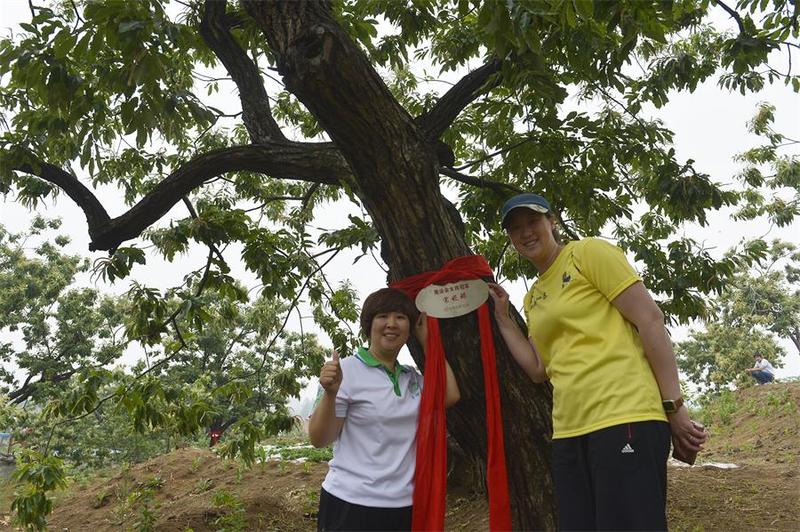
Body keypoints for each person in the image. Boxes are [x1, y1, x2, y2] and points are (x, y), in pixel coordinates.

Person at [487, 192, 708, 531]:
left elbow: (650, 320)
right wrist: (503, 319)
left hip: (624, 415)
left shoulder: (587, 253)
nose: (526, 232)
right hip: (569, 430)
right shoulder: (533, 297)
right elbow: (536, 369)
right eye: (515, 228)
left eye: (532, 221)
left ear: (552, 221)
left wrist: (674, 407)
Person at [308, 287, 460, 532]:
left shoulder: (411, 378)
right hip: (351, 503)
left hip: (405, 505)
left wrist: (429, 340)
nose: (391, 324)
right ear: (369, 325)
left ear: (410, 328)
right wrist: (331, 393)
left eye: (401, 317)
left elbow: (450, 395)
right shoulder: (344, 371)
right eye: (383, 316)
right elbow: (319, 438)